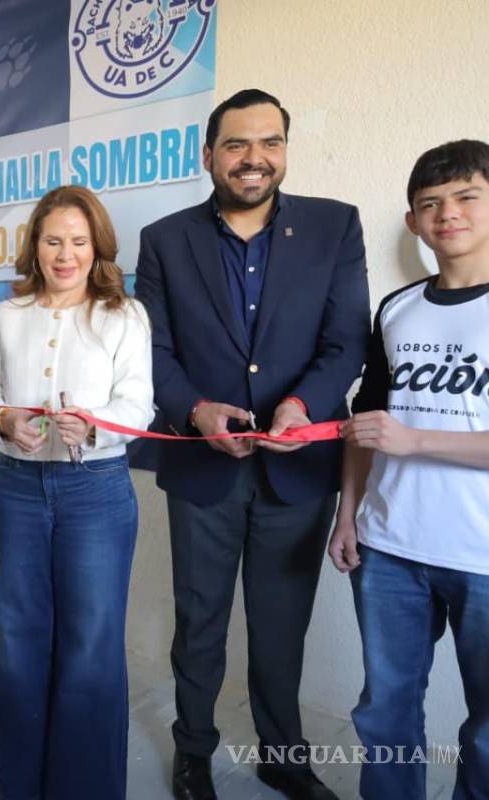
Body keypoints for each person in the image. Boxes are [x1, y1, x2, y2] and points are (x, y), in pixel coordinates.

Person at [134, 89, 369, 800]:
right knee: (199, 626)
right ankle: (194, 753)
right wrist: (195, 409)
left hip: (297, 473)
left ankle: (282, 755)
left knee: (279, 629)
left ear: (286, 151)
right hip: (203, 468)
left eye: (270, 142)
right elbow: (153, 349)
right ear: (209, 155)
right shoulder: (165, 239)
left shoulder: (335, 227)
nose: (254, 158)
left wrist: (301, 404)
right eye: (237, 144)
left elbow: (346, 341)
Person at [0, 186, 152, 800]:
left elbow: (140, 405)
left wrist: (97, 423)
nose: (65, 254)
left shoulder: (123, 315)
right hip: (18, 489)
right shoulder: (8, 314)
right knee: (20, 636)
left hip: (96, 491)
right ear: (35, 246)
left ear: (97, 244)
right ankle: (23, 785)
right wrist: (1, 421)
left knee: (92, 643)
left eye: (78, 241)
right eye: (53, 241)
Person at [328, 139, 489, 800]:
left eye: (466, 197)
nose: (447, 213)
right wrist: (347, 515)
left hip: (482, 556)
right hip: (389, 548)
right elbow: (365, 423)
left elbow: (398, 433)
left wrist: (415, 440)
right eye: (431, 203)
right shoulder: (398, 308)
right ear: (413, 222)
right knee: (386, 713)